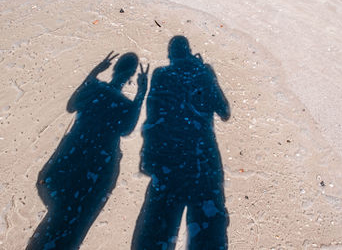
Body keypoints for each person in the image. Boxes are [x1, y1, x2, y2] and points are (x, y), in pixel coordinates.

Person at [26, 52, 148, 250]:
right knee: (75, 220)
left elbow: (71, 106)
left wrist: (93, 73)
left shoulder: (94, 88)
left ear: (114, 68)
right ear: (131, 76)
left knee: (60, 213)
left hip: (74, 151)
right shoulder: (124, 104)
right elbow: (126, 129)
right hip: (100, 161)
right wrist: (141, 94)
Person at [132, 36, 230, 250]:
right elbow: (224, 111)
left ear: (170, 55)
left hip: (170, 157)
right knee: (207, 234)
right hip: (203, 160)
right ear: (188, 51)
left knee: (162, 227)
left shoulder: (161, 75)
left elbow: (153, 118)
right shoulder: (204, 72)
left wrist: (147, 155)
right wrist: (207, 77)